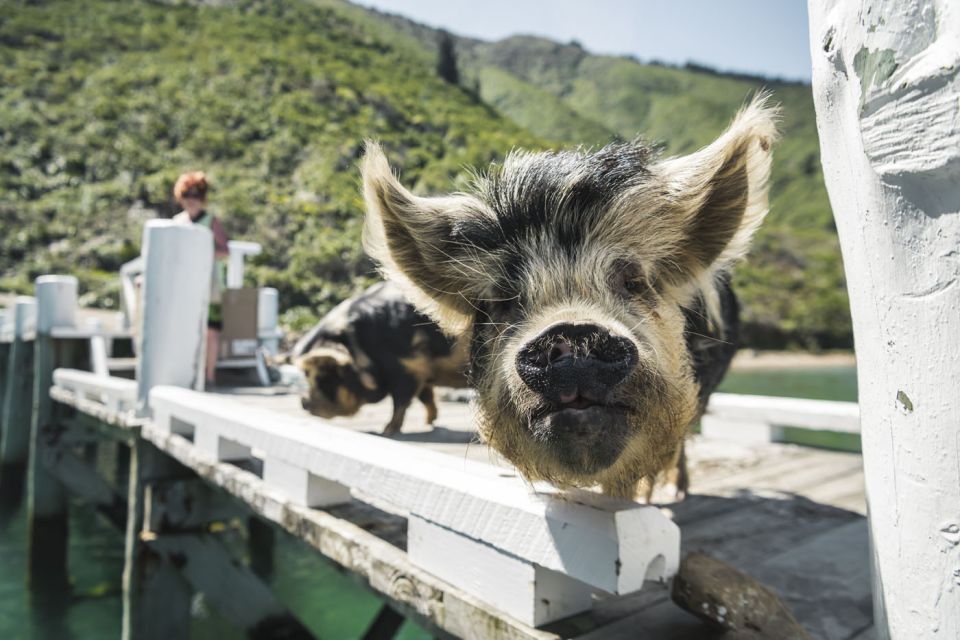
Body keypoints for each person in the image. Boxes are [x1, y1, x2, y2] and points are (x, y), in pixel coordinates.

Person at [172, 171, 229, 387]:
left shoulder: (210, 221)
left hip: (210, 283)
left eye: (196, 194)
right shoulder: (177, 222)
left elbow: (225, 251)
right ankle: (186, 373)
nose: (191, 199)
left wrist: (202, 253)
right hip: (184, 284)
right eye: (187, 194)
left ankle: (209, 376)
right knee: (184, 327)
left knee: (211, 331)